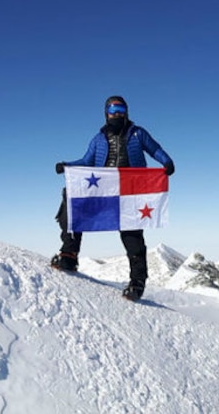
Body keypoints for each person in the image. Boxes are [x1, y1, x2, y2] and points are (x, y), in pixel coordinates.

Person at [53, 95, 175, 301]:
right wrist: (67, 165)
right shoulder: (98, 139)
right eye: (113, 110)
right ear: (106, 113)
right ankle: (69, 255)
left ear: (127, 112)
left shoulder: (138, 133)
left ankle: (137, 281)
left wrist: (167, 162)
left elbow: (155, 149)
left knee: (132, 235)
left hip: (130, 189)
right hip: (105, 188)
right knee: (73, 201)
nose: (117, 114)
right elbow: (86, 161)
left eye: (121, 109)